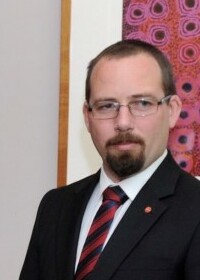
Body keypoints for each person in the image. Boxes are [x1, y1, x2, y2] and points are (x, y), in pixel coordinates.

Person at [19, 39, 200, 280]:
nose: (123, 122)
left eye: (142, 103)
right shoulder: (55, 207)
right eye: (106, 106)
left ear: (172, 111)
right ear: (87, 116)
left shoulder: (195, 209)